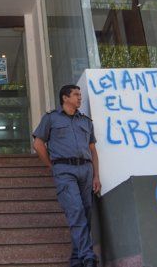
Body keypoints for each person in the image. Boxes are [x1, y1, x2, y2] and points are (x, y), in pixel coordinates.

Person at [32, 84, 101, 267]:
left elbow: (93, 150)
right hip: (64, 170)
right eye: (76, 95)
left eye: (80, 95)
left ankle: (76, 259)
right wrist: (52, 167)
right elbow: (38, 144)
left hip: (86, 170)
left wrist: (96, 176)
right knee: (76, 210)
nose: (80, 98)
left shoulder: (86, 121)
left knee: (85, 213)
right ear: (65, 98)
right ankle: (88, 257)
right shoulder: (51, 118)